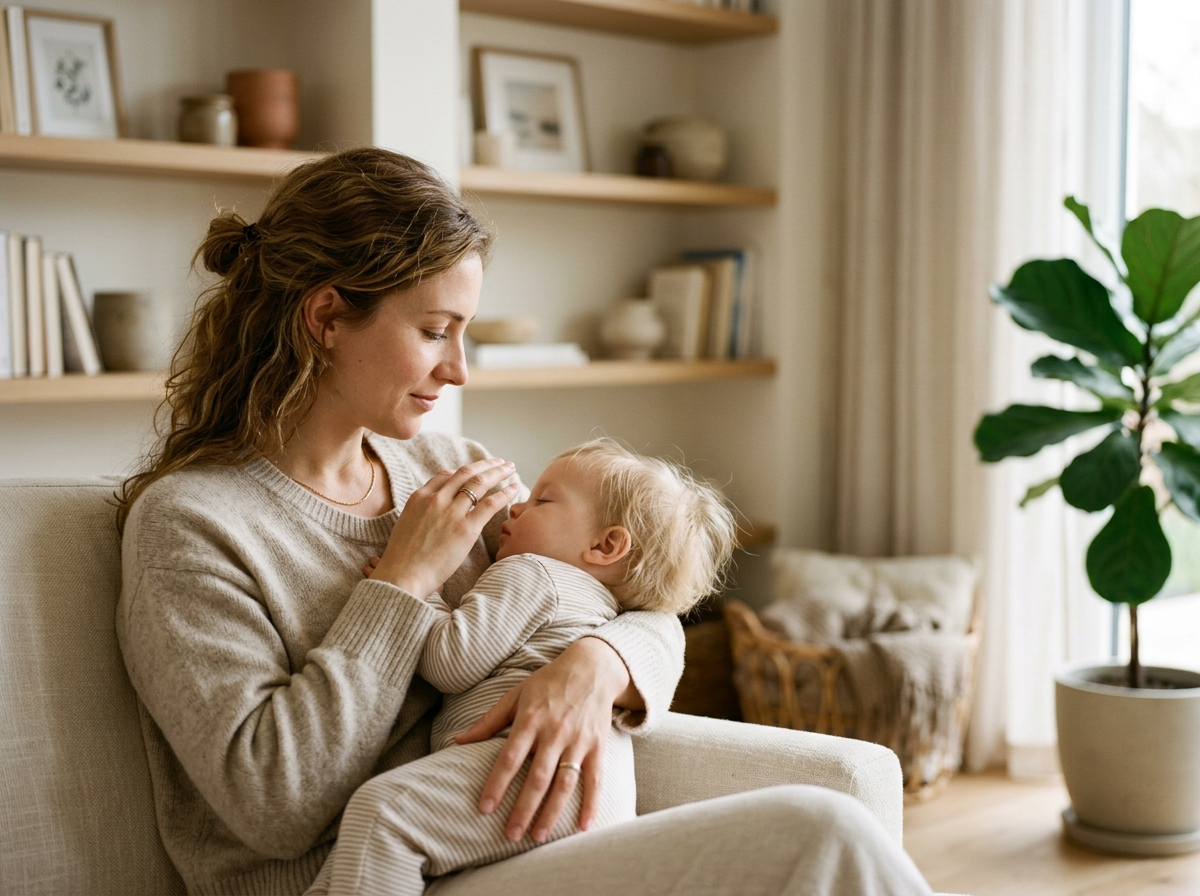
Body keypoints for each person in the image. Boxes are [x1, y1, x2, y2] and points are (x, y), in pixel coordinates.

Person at [115, 146, 934, 896]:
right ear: (327, 319)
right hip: (366, 872)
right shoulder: (191, 525)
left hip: (510, 845)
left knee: (827, 834)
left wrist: (599, 663)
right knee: (817, 834)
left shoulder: (447, 469)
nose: (457, 368)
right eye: (435, 331)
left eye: (463, 333)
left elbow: (628, 590)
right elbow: (275, 804)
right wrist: (401, 584)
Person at [313, 439, 738, 895]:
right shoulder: (602, 603)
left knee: (381, 812)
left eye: (543, 500)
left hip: (536, 771)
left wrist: (421, 589)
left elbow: (450, 662)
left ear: (606, 544)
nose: (516, 508)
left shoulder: (532, 572)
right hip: (593, 792)